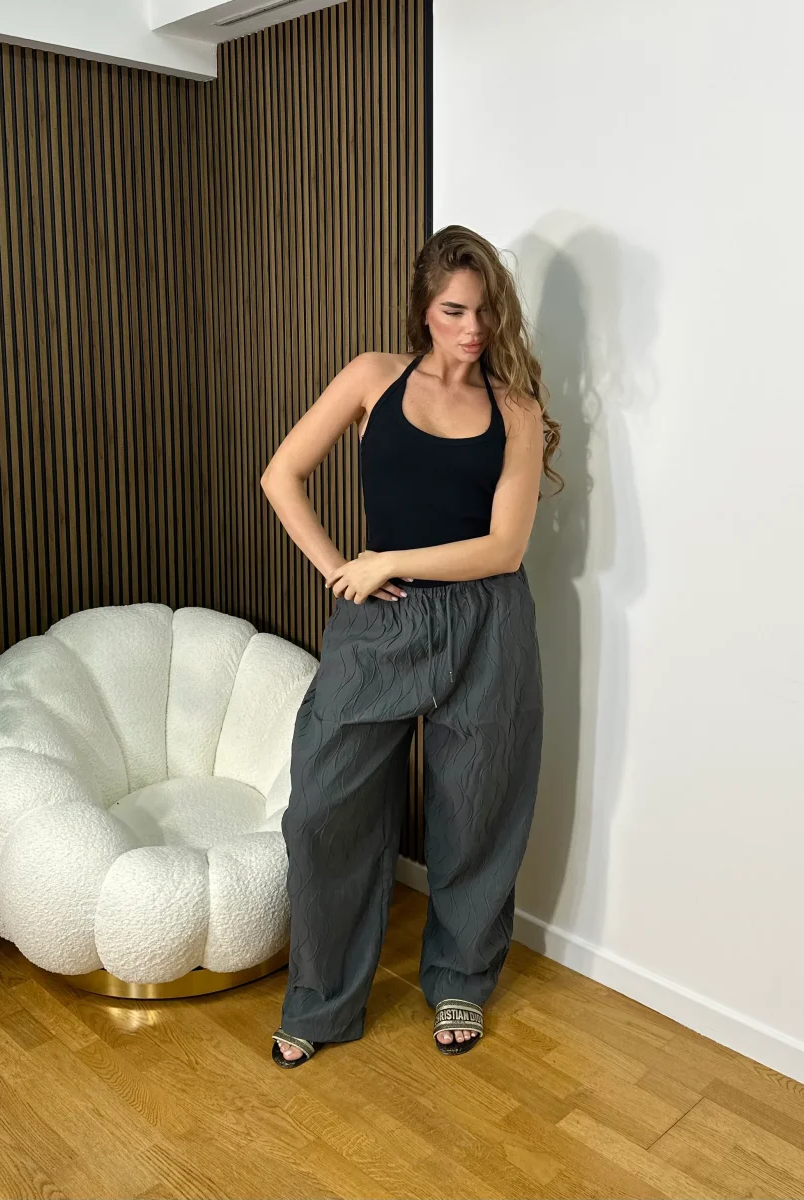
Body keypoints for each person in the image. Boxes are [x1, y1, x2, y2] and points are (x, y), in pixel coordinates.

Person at [259, 224, 563, 1066]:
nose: (473, 328)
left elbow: (504, 548)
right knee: (324, 810)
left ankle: (460, 976)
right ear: (425, 309)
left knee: (478, 808)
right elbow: (281, 475)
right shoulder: (373, 378)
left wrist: (389, 559)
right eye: (454, 310)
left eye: (486, 312)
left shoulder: (517, 412)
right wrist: (337, 567)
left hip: (488, 623)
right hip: (380, 627)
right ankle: (321, 1001)